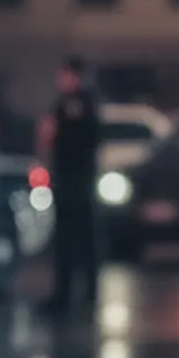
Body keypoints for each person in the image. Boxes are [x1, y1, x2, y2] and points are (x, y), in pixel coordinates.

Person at [39, 56, 102, 315]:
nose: (62, 80)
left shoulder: (81, 103)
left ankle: (83, 293)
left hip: (77, 180)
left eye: (66, 75)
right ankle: (67, 292)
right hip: (67, 178)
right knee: (68, 239)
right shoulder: (65, 104)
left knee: (79, 238)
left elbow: (82, 139)